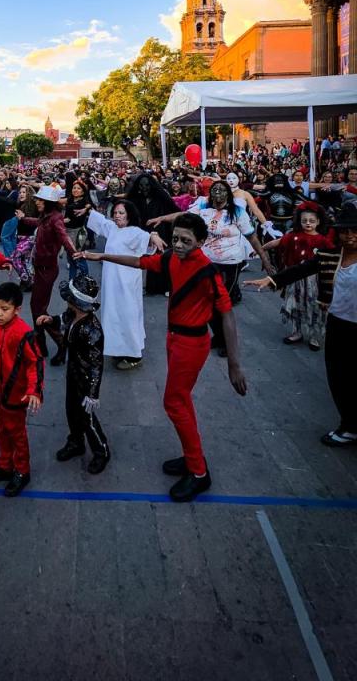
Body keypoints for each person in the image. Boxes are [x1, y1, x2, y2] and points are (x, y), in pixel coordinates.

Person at [82, 212, 247, 502]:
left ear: (200, 242)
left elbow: (227, 315)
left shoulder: (207, 272)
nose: (179, 245)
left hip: (191, 344)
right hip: (174, 339)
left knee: (174, 402)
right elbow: (140, 262)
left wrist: (234, 364)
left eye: (186, 241)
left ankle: (199, 473)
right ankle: (192, 457)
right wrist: (102, 257)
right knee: (181, 401)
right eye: (175, 239)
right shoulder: (172, 258)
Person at [246, 203, 357, 448]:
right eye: (345, 231)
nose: (349, 236)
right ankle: (349, 426)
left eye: (354, 231)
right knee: (339, 377)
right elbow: (303, 269)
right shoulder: (331, 255)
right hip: (338, 324)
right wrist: (272, 280)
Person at [150, 180, 273, 354]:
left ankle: (226, 344)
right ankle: (219, 337)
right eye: (215, 190)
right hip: (207, 263)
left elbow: (252, 237)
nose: (218, 193)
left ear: (228, 194)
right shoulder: (203, 208)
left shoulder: (237, 212)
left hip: (230, 263)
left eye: (222, 190)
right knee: (207, 303)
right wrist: (162, 218)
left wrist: (265, 260)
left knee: (221, 304)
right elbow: (183, 215)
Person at [39, 275, 110, 474]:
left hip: (85, 380)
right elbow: (63, 319)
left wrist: (92, 393)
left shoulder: (93, 331)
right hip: (73, 372)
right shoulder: (73, 313)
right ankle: (76, 441)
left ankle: (101, 451)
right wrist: (51, 320)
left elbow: (96, 365)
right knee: (71, 410)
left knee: (87, 418)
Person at [0, 281, 44, 497]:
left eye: (4, 309)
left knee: (17, 434)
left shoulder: (23, 333)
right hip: (0, 393)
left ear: (17, 309)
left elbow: (35, 363)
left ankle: (22, 471)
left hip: (16, 395)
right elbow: (0, 356)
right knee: (2, 430)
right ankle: (5, 465)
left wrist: (34, 390)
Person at [15, 185, 78, 365]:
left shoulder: (55, 219)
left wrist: (75, 253)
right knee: (37, 307)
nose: (37, 202)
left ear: (49, 202)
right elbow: (38, 223)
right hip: (41, 268)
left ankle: (59, 342)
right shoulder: (46, 216)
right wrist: (24, 218)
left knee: (38, 309)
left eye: (40, 200)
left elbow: (64, 237)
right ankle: (41, 343)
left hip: (46, 270)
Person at [86, 199, 152, 369]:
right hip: (112, 283)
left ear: (129, 215)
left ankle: (134, 355)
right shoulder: (113, 228)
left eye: (121, 213)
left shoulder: (135, 232)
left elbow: (148, 239)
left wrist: (155, 235)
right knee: (114, 315)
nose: (117, 216)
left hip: (127, 284)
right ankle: (119, 349)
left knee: (128, 316)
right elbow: (101, 222)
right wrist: (87, 210)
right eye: (115, 213)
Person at [261, 202, 335, 350]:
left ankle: (314, 336)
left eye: (312, 221)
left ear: (318, 221)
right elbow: (278, 242)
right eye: (304, 220)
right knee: (295, 305)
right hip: (295, 278)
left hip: (315, 281)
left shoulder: (323, 241)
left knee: (315, 307)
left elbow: (334, 255)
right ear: (299, 221)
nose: (308, 223)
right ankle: (297, 332)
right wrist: (260, 248)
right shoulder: (293, 236)